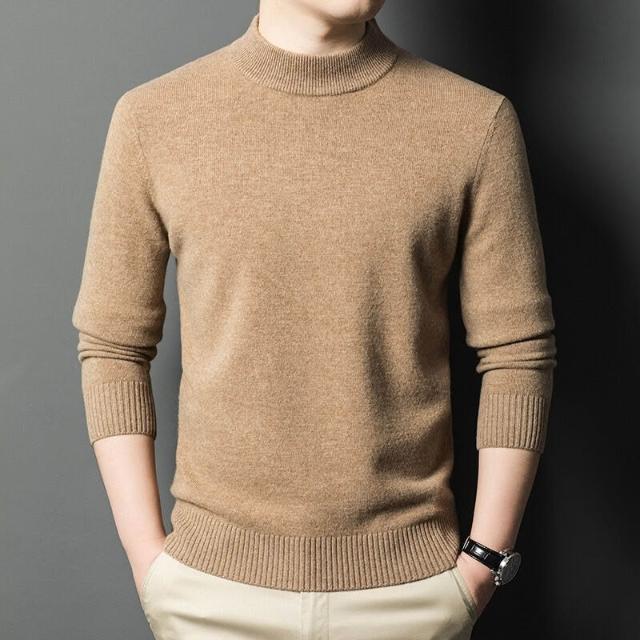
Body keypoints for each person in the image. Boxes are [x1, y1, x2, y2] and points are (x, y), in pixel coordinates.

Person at [71, 0, 558, 638]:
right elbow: (113, 346)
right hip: (210, 595)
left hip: (411, 595)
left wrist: (481, 565)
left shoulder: (472, 121)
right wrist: (149, 561)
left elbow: (518, 351)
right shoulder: (155, 118)